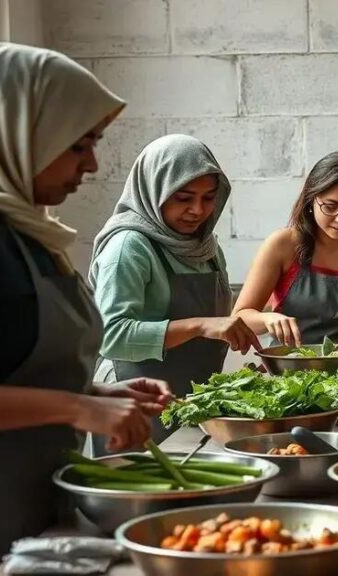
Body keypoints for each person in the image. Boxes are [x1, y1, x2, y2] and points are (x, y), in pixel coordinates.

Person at [0, 44, 171, 576]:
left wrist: (96, 394)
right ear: (15, 130)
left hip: (26, 499)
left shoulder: (22, 230)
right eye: (78, 144)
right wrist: (78, 409)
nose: (93, 164)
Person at [90, 134, 257, 447]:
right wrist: (200, 325)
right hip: (135, 407)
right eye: (184, 198)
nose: (198, 210)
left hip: (191, 407)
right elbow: (110, 335)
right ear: (154, 189)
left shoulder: (205, 247)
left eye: (208, 198)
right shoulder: (129, 247)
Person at [234, 150, 338, 347]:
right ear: (311, 200)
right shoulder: (283, 245)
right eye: (330, 206)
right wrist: (268, 320)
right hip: (289, 369)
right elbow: (240, 318)